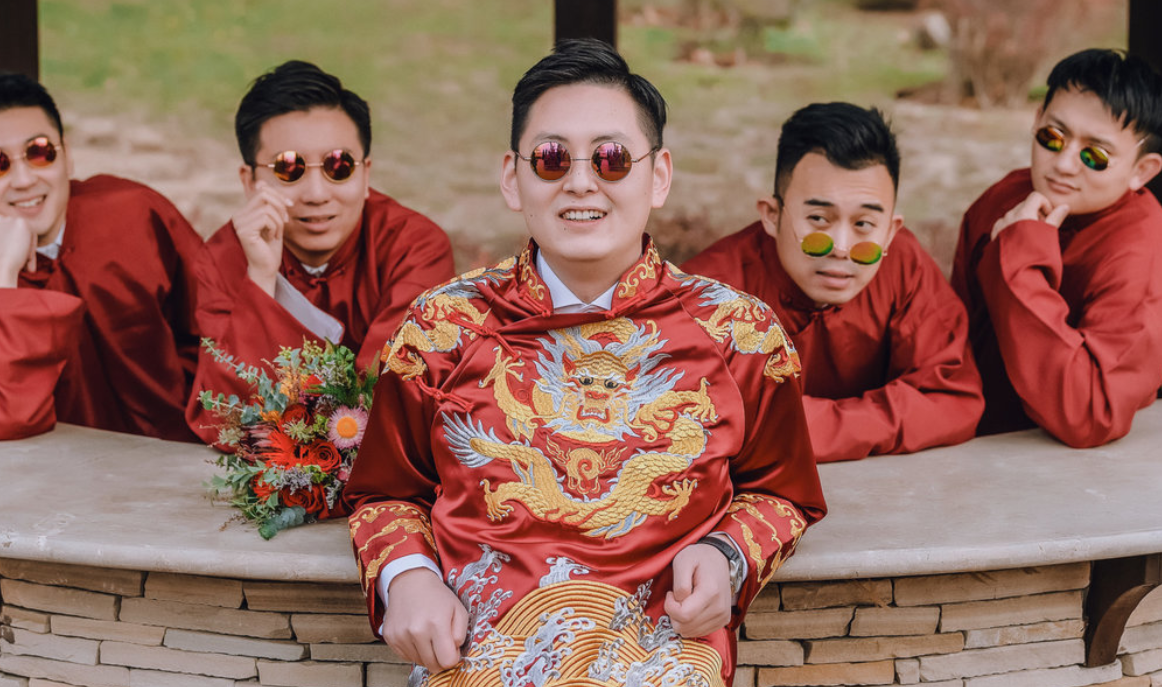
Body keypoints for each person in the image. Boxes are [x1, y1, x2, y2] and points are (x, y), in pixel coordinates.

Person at [343, 39, 826, 686]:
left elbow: (781, 490)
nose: (580, 182)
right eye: (550, 159)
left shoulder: (740, 337)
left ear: (659, 175)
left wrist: (727, 555)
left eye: (611, 158)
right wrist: (409, 579)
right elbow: (384, 492)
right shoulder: (443, 329)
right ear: (512, 177)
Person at [684, 103, 983, 461]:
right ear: (772, 215)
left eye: (863, 224)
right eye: (819, 219)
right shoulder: (708, 295)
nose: (841, 248)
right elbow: (693, 423)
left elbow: (953, 399)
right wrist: (889, 418)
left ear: (891, 231)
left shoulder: (904, 266)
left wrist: (800, 427)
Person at [0, 72, 209, 442]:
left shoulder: (136, 214)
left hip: (179, 456)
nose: (24, 179)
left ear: (67, 156)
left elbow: (217, 332)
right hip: (52, 474)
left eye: (39, 152)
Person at [191, 61, 454, 443]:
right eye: (289, 168)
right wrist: (260, 278)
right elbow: (223, 423)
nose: (316, 193)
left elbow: (385, 403)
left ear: (365, 173)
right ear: (250, 181)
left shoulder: (413, 247)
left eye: (338, 166)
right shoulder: (225, 258)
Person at [951, 48, 1162, 447]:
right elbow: (950, 335)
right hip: (967, 436)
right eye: (1053, 137)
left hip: (1064, 463)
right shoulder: (1004, 198)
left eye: (1095, 156)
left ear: (1141, 171)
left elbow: (1090, 414)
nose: (1063, 164)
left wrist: (1019, 263)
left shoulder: (1144, 261)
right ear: (1036, 120)